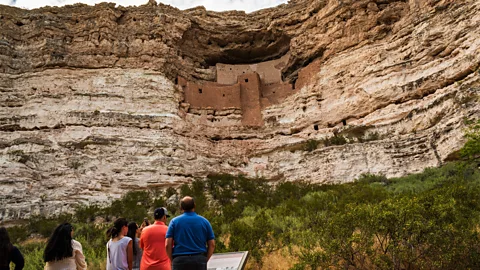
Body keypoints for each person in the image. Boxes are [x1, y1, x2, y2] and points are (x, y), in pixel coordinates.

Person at [166, 196, 215, 270]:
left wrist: (172, 260)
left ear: (181, 208)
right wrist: (205, 259)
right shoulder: (205, 222)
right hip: (199, 259)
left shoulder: (174, 222)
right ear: (194, 206)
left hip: (180, 259)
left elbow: (167, 244)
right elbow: (212, 244)